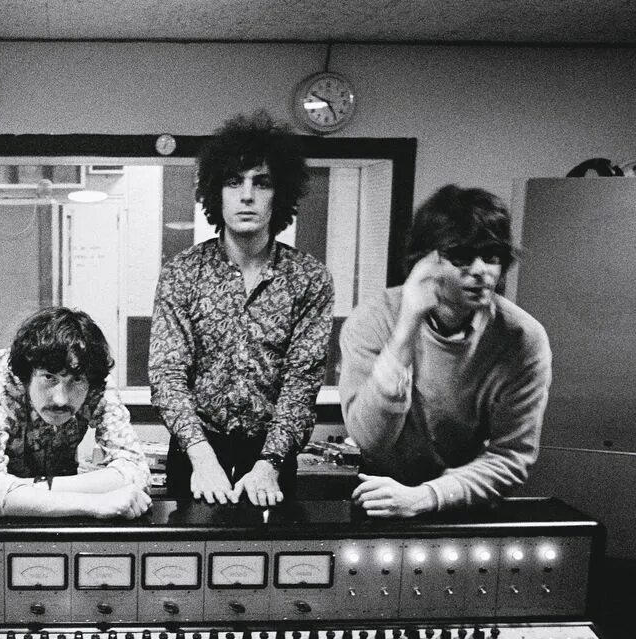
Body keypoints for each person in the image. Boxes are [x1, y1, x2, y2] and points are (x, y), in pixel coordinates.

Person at [149, 110, 333, 507]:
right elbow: (167, 373)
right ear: (215, 192)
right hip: (196, 452)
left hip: (270, 458)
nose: (246, 195)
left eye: (261, 182)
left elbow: (302, 382)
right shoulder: (183, 273)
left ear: (279, 194)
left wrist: (271, 462)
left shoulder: (309, 278)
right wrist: (202, 457)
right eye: (234, 181)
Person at [339, 184, 552, 517]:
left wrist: (426, 497)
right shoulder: (373, 319)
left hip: (464, 500)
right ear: (426, 260)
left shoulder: (523, 338)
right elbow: (371, 439)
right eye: (462, 257)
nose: (481, 270)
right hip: (379, 497)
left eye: (491, 256)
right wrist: (406, 330)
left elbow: (512, 455)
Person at [0, 306, 151, 518]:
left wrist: (31, 489)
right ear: (26, 376)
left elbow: (138, 473)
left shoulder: (94, 378)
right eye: (49, 378)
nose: (61, 399)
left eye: (76, 380)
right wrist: (94, 502)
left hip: (47, 509)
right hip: (0, 524)